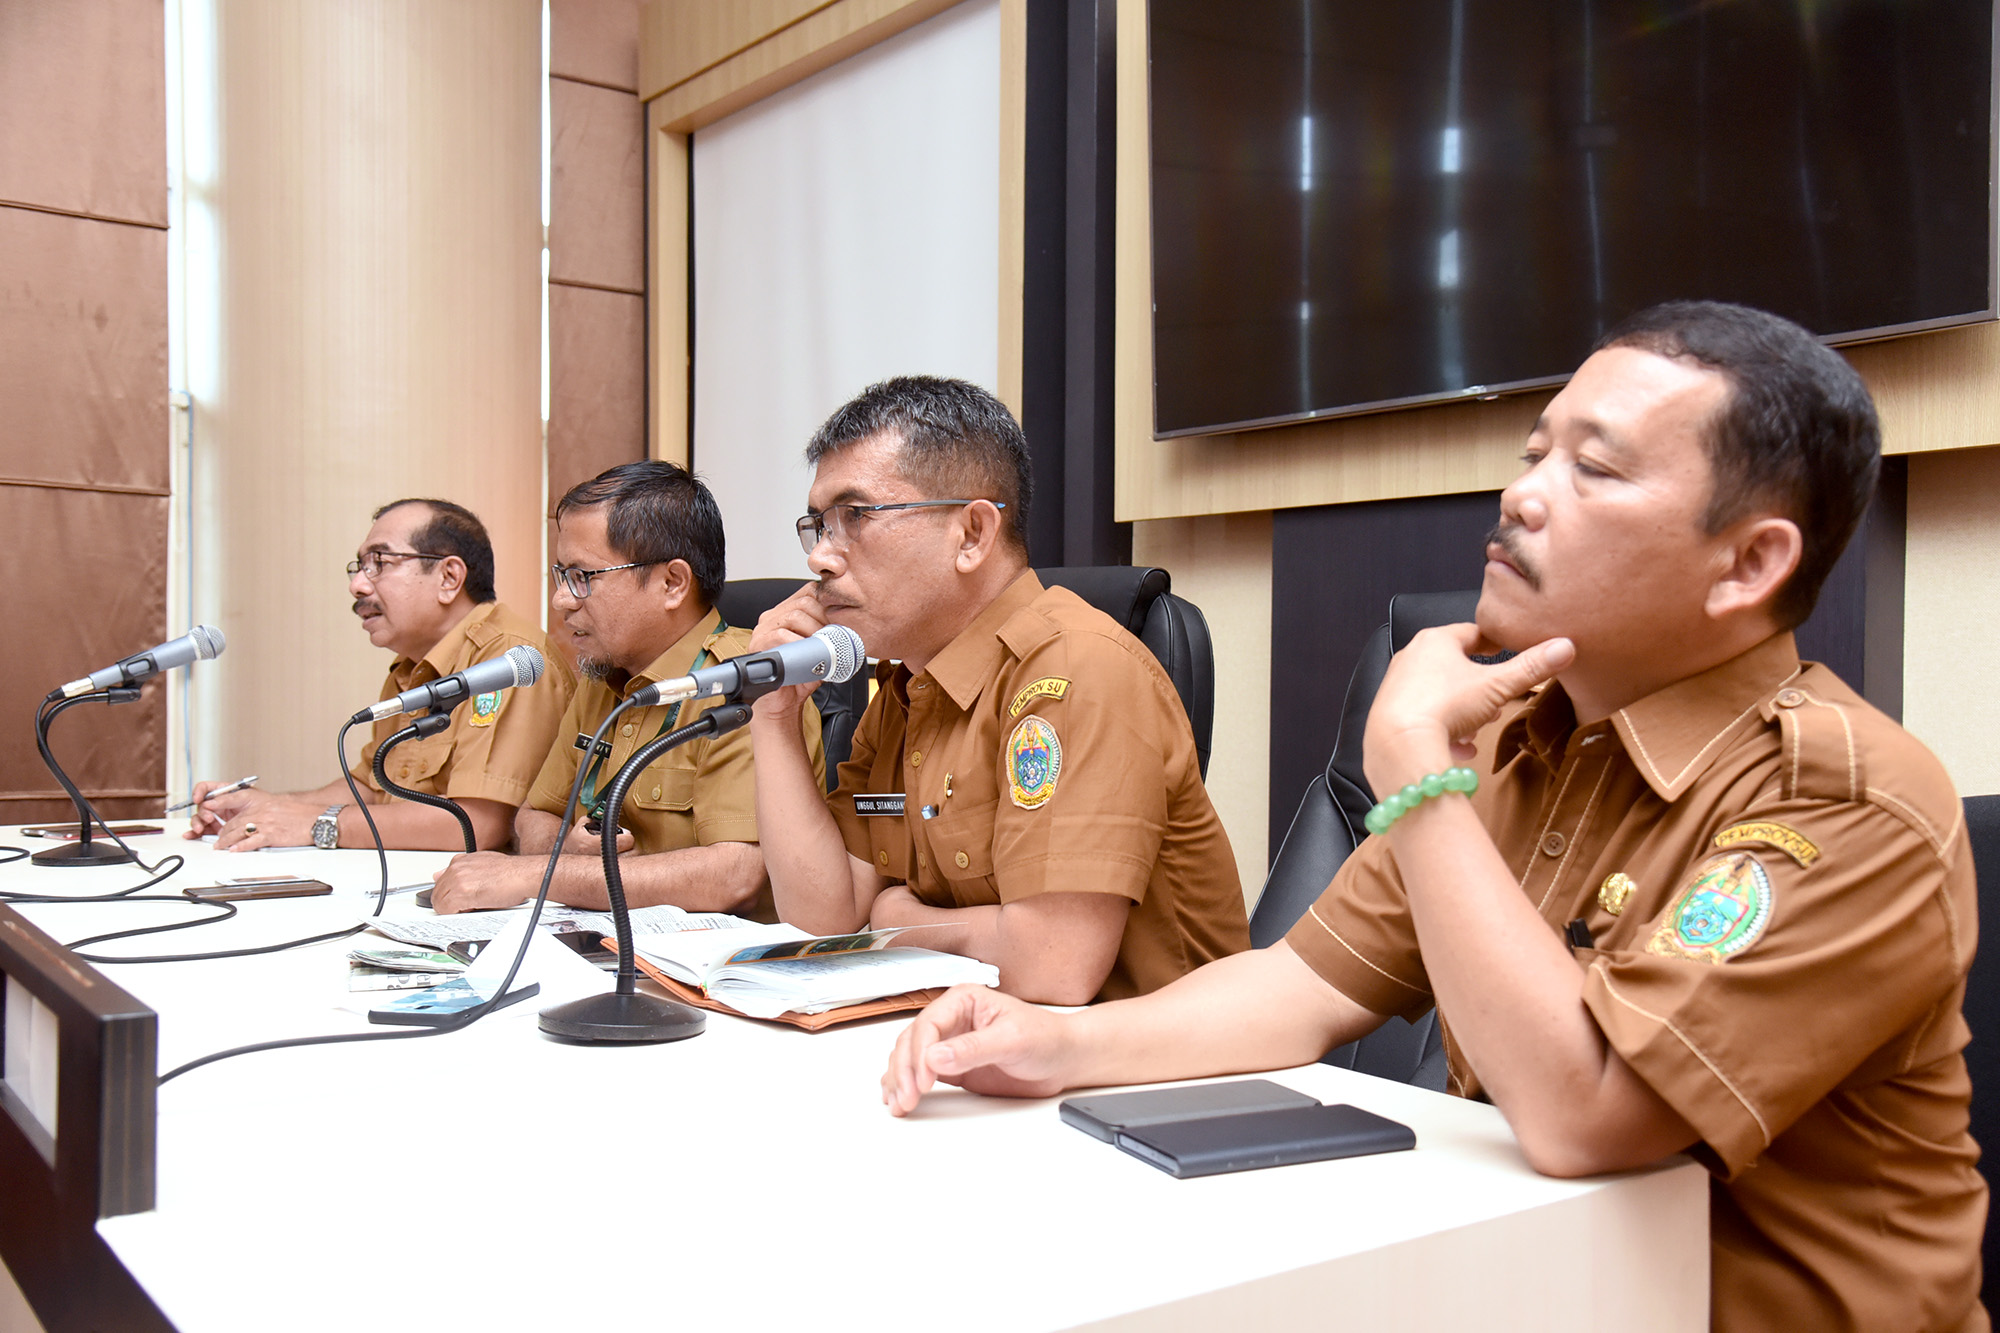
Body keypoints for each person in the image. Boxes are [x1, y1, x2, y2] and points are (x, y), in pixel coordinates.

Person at [878, 303, 1987, 1332]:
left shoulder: (1841, 797)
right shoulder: (1518, 740)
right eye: (1533, 452)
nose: (1522, 494)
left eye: (1592, 467)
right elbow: (1303, 982)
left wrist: (1415, 769)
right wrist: (1057, 1041)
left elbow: (1588, 1113)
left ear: (1748, 562)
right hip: (1524, 1290)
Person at [747, 376, 1250, 1005]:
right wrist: (772, 718)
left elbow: (1051, 967)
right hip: (996, 1052)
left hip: (1160, 1080)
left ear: (973, 535)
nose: (822, 557)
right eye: (817, 526)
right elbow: (825, 921)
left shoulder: (1076, 669)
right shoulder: (906, 690)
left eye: (856, 517)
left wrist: (892, 919)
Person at [428, 460, 823, 919]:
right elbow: (535, 814)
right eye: (561, 576)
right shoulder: (604, 674)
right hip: (604, 939)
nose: (562, 600)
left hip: (714, 968)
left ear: (672, 583)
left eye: (583, 577)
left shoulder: (746, 681)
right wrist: (566, 850)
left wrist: (539, 874)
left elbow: (734, 876)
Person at [187, 499, 574, 852]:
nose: (357, 585)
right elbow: (371, 787)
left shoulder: (508, 661)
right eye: (359, 567)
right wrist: (268, 807)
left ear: (449, 578)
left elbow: (475, 826)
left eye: (380, 563)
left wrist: (317, 824)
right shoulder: (413, 666)